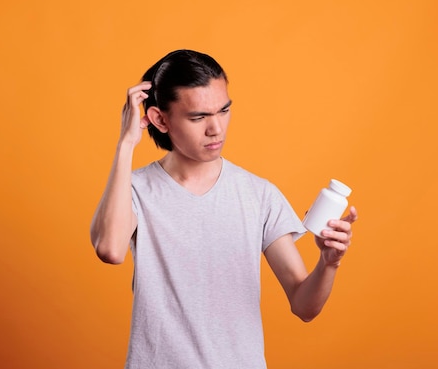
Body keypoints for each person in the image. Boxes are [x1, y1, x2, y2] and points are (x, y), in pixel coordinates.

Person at [90, 49, 358, 369]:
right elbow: (110, 250)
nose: (216, 128)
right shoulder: (133, 190)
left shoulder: (258, 195)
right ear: (160, 119)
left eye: (224, 110)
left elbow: (304, 306)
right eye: (199, 117)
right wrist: (126, 144)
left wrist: (329, 263)